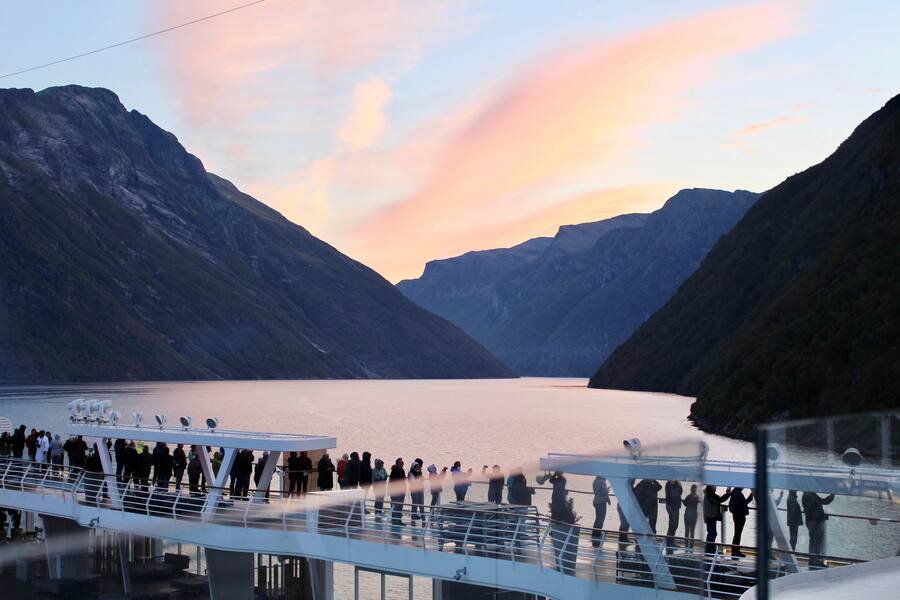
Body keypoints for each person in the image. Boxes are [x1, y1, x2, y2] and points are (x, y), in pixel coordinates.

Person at [548, 473, 578, 575]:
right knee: (556, 514)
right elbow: (551, 480)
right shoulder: (559, 480)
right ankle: (554, 529)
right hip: (557, 499)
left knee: (556, 514)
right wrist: (555, 475)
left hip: (558, 499)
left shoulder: (560, 480)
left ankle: (555, 529)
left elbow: (551, 480)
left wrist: (555, 475)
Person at [802, 491, 835, 567]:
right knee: (816, 542)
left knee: (814, 542)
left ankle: (813, 560)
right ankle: (815, 561)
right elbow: (824, 501)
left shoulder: (807, 495)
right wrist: (833, 494)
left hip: (811, 521)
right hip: (815, 522)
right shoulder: (810, 495)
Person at [726, 487, 754, 558]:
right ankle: (735, 552)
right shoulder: (738, 494)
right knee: (737, 535)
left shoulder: (735, 493)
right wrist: (751, 495)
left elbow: (742, 503)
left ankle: (736, 551)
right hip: (739, 516)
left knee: (737, 534)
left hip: (737, 516)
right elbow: (744, 503)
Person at [703, 485, 726, 556]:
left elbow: (719, 500)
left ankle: (709, 549)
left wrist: (727, 493)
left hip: (710, 517)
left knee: (712, 533)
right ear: (710, 487)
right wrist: (728, 493)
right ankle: (708, 550)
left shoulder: (710, 495)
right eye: (714, 486)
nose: (715, 487)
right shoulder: (710, 495)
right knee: (712, 533)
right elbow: (719, 500)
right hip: (710, 517)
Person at [592, 476, 612, 547]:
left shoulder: (595, 481)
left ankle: (594, 533)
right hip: (601, 502)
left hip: (596, 501)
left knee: (597, 518)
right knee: (601, 518)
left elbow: (598, 491)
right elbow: (604, 492)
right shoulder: (602, 482)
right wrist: (608, 489)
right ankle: (597, 533)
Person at [665, 480, 684, 554]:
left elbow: (680, 492)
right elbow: (668, 495)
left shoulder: (676, 483)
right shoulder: (669, 484)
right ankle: (669, 542)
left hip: (676, 506)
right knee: (672, 524)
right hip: (672, 506)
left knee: (675, 524)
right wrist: (668, 505)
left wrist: (679, 485)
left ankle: (671, 541)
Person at [388, 458, 407, 527]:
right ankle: (394, 520)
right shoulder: (394, 471)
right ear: (397, 463)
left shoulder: (402, 470)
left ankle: (398, 520)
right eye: (401, 463)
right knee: (395, 506)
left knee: (400, 507)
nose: (403, 464)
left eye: (403, 463)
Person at [683, 484, 700, 550]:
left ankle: (686, 544)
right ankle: (691, 545)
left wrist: (683, 501)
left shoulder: (689, 497)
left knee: (687, 530)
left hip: (688, 514)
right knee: (692, 531)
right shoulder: (697, 497)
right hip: (694, 514)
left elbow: (685, 503)